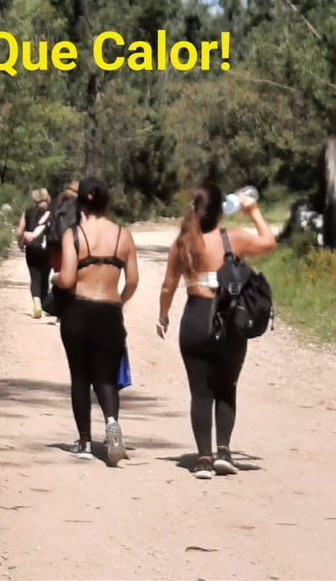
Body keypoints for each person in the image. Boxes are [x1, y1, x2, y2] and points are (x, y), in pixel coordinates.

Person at [157, 183, 277, 479]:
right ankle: (223, 451)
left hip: (195, 319)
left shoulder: (183, 242)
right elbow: (268, 242)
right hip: (228, 318)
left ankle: (203, 458)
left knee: (200, 393)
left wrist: (163, 315)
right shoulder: (232, 238)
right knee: (226, 387)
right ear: (221, 212)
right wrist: (253, 210)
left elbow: (168, 286)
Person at [54, 177, 139, 465]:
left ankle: (84, 441)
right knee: (106, 377)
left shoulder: (73, 235)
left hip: (78, 310)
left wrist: (55, 279)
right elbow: (133, 281)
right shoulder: (124, 236)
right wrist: (119, 302)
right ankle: (112, 422)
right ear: (107, 202)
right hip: (109, 312)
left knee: (80, 376)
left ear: (80, 203)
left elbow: (67, 278)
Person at [15, 189, 52, 319]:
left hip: (32, 248)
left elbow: (19, 231)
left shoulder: (28, 211)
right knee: (45, 276)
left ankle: (37, 303)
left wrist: (20, 241)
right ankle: (43, 306)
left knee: (35, 276)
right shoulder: (51, 212)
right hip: (47, 248)